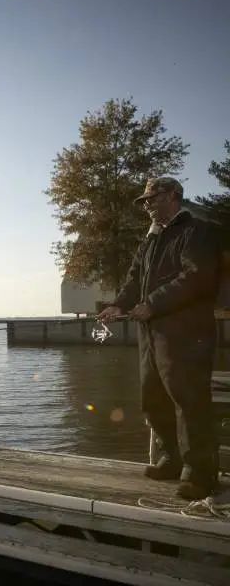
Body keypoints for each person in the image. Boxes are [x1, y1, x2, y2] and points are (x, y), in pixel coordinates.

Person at [98, 177, 222, 500]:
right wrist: (118, 305)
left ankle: (201, 475)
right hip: (152, 335)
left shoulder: (197, 231)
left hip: (186, 335)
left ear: (174, 197)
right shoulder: (151, 241)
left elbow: (196, 278)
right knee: (152, 399)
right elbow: (134, 278)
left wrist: (152, 304)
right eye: (145, 201)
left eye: (153, 199)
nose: (147, 205)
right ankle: (172, 458)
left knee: (190, 402)